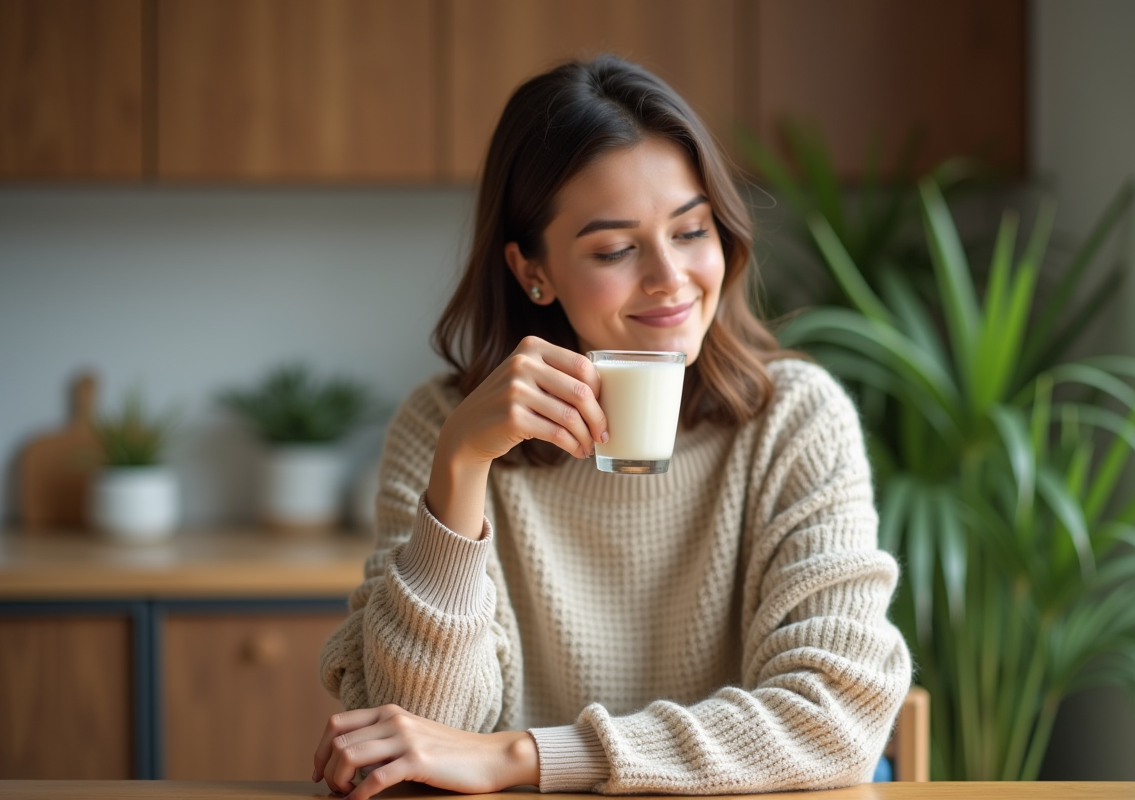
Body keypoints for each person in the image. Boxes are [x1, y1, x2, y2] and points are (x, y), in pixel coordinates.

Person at [313, 55, 911, 799]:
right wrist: (461, 474)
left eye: (691, 231)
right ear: (534, 269)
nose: (669, 277)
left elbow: (834, 719)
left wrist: (521, 757)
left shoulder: (794, 421)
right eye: (616, 249)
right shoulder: (442, 429)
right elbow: (423, 737)